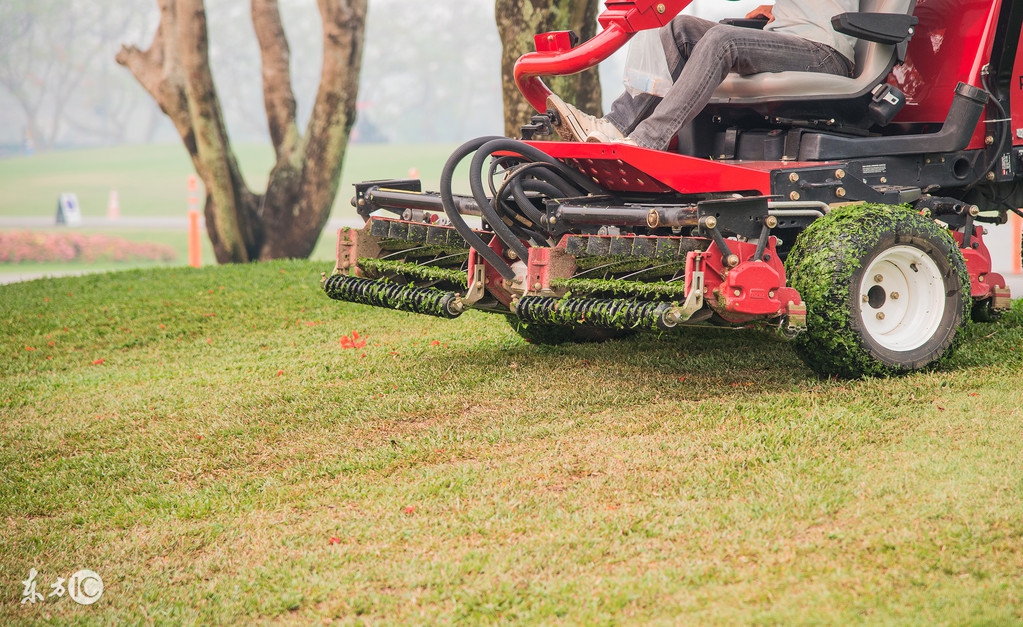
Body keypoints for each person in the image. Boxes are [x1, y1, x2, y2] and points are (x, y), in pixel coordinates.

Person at [549, 1, 860, 150]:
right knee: (678, 28)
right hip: (786, 39)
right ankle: (616, 126)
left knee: (722, 40)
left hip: (824, 52)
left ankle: (647, 140)